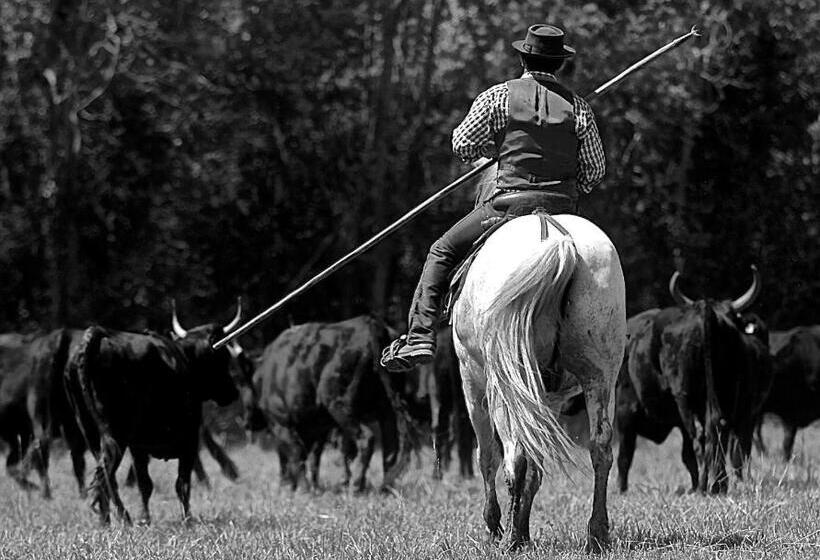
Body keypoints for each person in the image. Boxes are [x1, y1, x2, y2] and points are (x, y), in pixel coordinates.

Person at [380, 24, 606, 372]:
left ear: (522, 58)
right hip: (563, 209)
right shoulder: (579, 109)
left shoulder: (497, 96)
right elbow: (594, 171)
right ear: (561, 64)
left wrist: (496, 152)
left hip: (508, 204)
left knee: (442, 250)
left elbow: (462, 143)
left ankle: (420, 336)